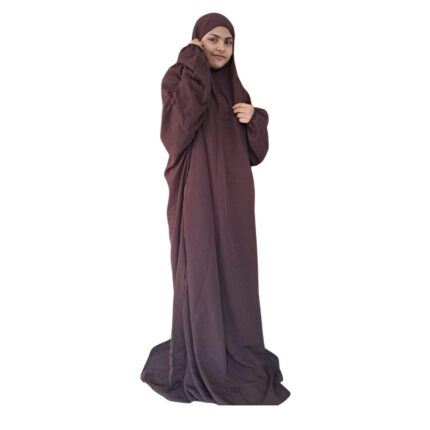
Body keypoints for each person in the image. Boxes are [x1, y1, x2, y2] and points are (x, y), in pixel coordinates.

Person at [140, 12, 291, 405]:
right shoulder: (179, 78)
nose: (222, 48)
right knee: (200, 268)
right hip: (196, 195)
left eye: (228, 41)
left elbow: (255, 154)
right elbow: (176, 133)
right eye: (212, 40)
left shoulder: (237, 90)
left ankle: (233, 347)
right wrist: (192, 63)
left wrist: (256, 119)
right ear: (197, 42)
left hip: (235, 198)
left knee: (236, 270)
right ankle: (203, 352)